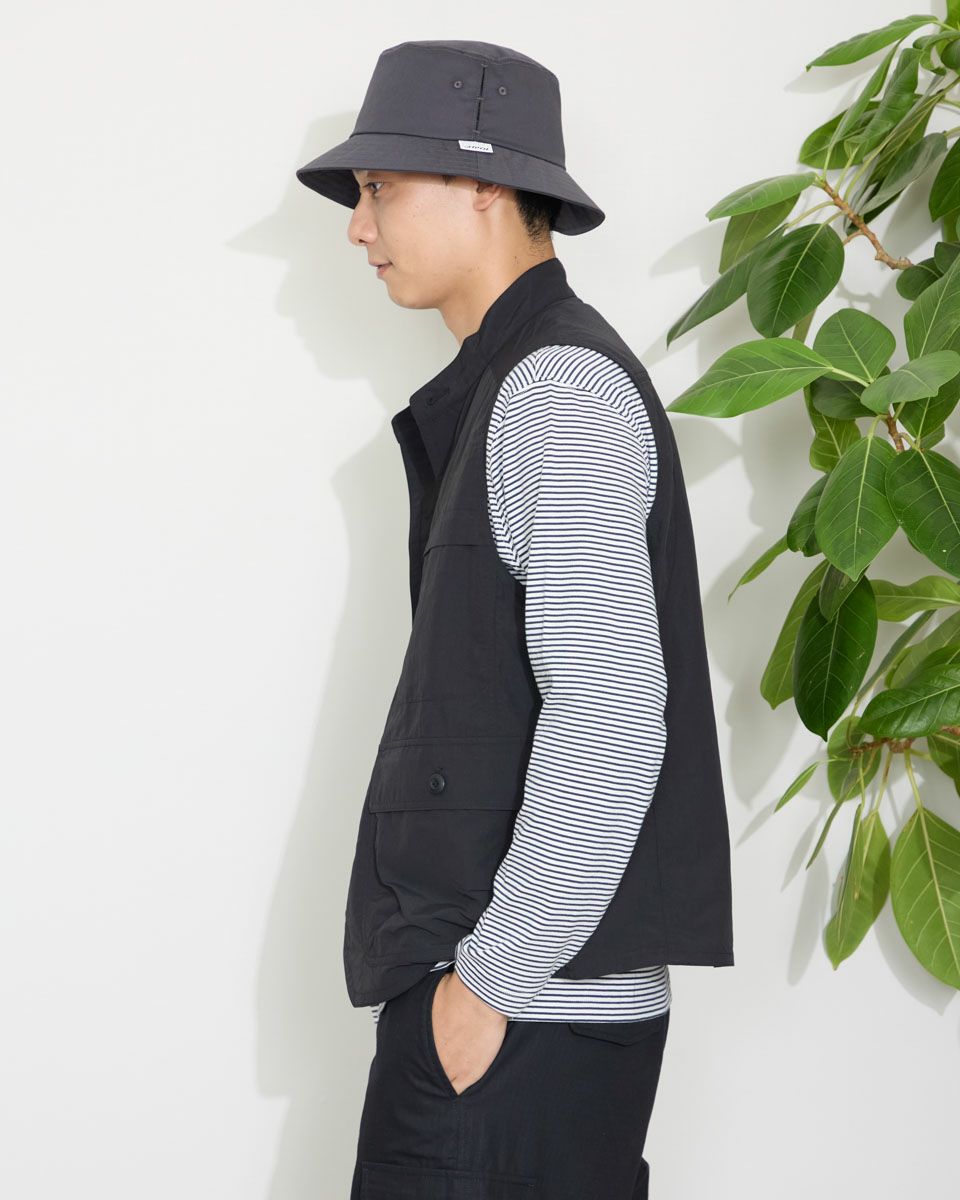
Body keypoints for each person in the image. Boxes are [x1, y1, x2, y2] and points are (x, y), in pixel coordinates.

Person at [296, 39, 734, 1200]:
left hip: (518, 1027)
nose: (358, 226)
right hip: (522, 1021)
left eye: (380, 188)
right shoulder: (521, 382)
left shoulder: (558, 390)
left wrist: (487, 985)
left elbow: (609, 713)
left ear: (484, 182)